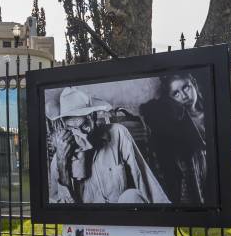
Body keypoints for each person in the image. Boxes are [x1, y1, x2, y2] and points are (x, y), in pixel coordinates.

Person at [48, 87, 169, 204]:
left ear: (94, 117)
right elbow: (64, 213)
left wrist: (162, 213)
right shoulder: (60, 156)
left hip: (121, 217)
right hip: (89, 221)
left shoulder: (118, 133)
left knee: (131, 196)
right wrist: (62, 164)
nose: (81, 135)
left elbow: (142, 178)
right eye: (73, 128)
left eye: (85, 126)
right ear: (65, 125)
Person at [140, 73, 208, 204]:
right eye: (176, 93)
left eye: (186, 87)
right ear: (170, 98)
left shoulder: (210, 110)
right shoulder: (176, 122)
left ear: (193, 83)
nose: (183, 96)